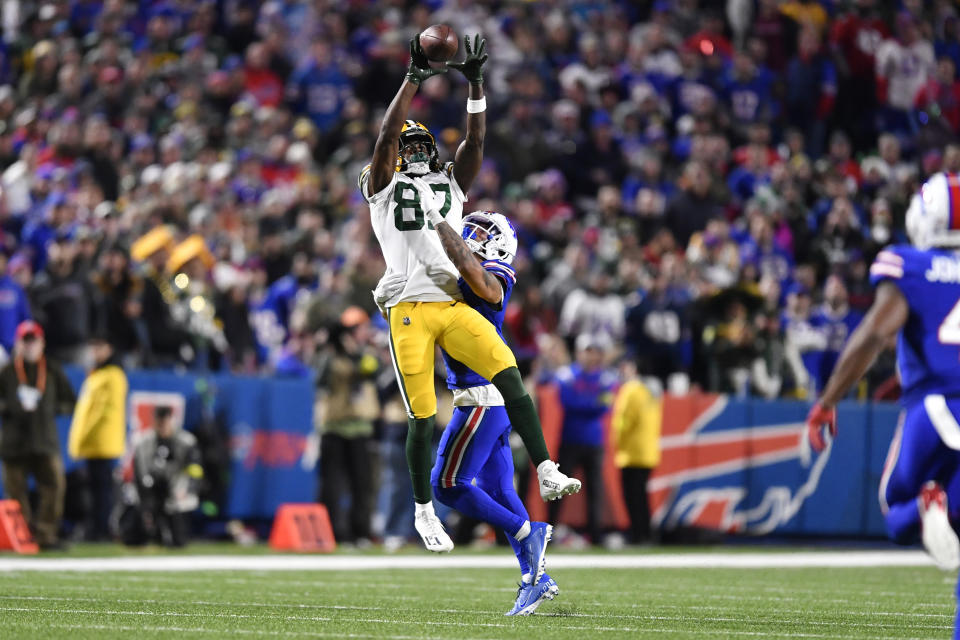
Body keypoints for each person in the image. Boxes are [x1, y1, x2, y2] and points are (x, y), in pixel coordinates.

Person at [360, 34, 579, 552]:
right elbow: (387, 136)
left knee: (508, 373)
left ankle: (547, 467)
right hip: (410, 308)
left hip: (452, 303)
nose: (410, 151)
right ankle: (421, 511)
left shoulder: (451, 184)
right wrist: (413, 78)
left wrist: (476, 85)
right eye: (404, 147)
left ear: (432, 151)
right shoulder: (383, 184)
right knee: (419, 414)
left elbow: (475, 145)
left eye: (419, 146)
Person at [805, 172, 960, 638]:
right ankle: (942, 505)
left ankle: (928, 504)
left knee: (897, 511)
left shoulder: (911, 266)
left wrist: (827, 401)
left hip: (932, 409)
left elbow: (875, 333)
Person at [419, 210, 558, 614]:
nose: (470, 235)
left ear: (499, 243)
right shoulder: (467, 270)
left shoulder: (495, 274)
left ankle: (527, 531)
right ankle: (535, 577)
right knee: (499, 490)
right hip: (490, 400)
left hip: (480, 397)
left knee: (445, 484)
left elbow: (469, 270)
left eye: (480, 232)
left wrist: (435, 221)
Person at [0, 320, 76, 549]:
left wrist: (50, 408)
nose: (30, 346)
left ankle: (46, 535)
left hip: (45, 439)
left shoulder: (52, 369)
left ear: (42, 343)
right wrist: (10, 407)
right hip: (15, 442)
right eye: (26, 341)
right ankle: (22, 537)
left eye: (34, 341)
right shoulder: (7, 372)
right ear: (19, 344)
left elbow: (70, 402)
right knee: (16, 493)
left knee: (54, 486)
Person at [317, 306, 379, 546]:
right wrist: (333, 348)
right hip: (333, 426)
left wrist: (354, 353)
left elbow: (370, 372)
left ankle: (360, 532)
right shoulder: (328, 356)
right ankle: (331, 532)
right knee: (331, 485)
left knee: (362, 484)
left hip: (360, 427)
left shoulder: (365, 355)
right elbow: (320, 380)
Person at [549, 333, 618, 545]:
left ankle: (595, 536)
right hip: (571, 439)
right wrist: (592, 403)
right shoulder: (566, 375)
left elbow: (605, 405)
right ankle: (548, 532)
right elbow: (569, 402)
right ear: (579, 352)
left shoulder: (606, 378)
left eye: (595, 351)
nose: (592, 356)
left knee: (594, 491)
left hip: (594, 441)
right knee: (558, 489)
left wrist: (587, 403)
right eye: (588, 351)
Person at [67, 334, 128, 541]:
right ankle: (96, 527)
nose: (95, 352)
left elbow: (102, 412)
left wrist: (83, 437)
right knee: (96, 489)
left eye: (99, 347)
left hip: (103, 442)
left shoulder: (113, 375)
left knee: (102, 490)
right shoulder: (98, 374)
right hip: (95, 443)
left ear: (109, 348)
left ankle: (101, 529)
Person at [131, 405, 203, 547]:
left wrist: (189, 490)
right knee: (140, 527)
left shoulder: (186, 441)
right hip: (151, 489)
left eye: (165, 421)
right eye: (159, 421)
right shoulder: (143, 442)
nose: (162, 426)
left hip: (176, 489)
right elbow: (139, 472)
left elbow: (196, 470)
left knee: (178, 539)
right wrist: (144, 499)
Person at [611, 359, 662, 545]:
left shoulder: (631, 390)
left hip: (632, 452)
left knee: (633, 497)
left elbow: (624, 421)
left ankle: (638, 535)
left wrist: (615, 438)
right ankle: (646, 534)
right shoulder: (651, 391)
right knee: (641, 497)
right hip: (648, 451)